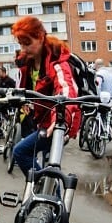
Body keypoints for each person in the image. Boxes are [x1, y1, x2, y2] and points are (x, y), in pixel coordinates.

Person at [10, 16, 81, 179]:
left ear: (41, 37)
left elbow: (66, 90)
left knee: (21, 152)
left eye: (27, 43)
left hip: (59, 120)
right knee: (48, 166)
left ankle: (47, 197)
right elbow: (24, 88)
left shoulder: (57, 62)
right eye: (20, 44)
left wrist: (60, 120)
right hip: (42, 120)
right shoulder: (26, 63)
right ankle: (46, 194)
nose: (23, 49)